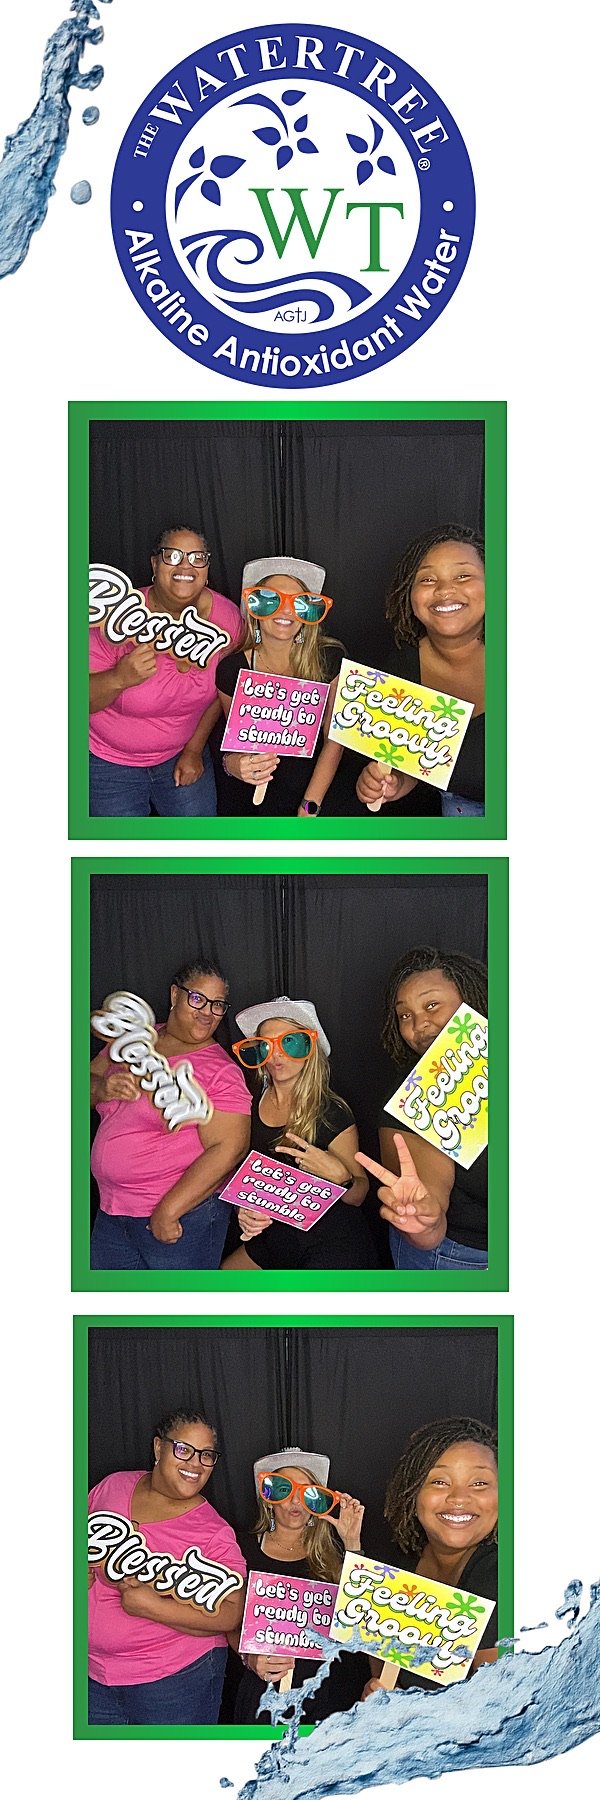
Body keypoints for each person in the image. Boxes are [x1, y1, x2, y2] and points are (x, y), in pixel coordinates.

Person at [90, 957, 252, 1270]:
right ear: (175, 995)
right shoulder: (136, 1039)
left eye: (217, 1005)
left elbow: (229, 1150)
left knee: (176, 1316)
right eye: (198, 999)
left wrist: (168, 1210)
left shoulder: (220, 1071)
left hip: (179, 1220)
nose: (207, 1012)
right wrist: (103, 1089)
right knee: (112, 1314)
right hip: (112, 1212)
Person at [88, 1407, 246, 1725]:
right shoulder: (113, 1486)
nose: (196, 1464)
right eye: (184, 1450)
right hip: (90, 1675)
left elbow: (233, 1613)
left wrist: (151, 1606)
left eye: (207, 1455)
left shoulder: (213, 1530)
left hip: (173, 1683)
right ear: (159, 1448)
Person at [89, 524, 243, 816]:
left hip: (181, 755)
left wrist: (194, 750)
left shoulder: (227, 619)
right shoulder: (117, 615)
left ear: (207, 568)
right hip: (109, 764)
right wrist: (119, 678)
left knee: (195, 855)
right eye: (173, 555)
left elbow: (222, 690)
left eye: (197, 557)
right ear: (154, 564)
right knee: (121, 860)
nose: (185, 565)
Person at [220, 997, 377, 1271]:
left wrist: (341, 1178)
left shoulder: (332, 1111)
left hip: (329, 1240)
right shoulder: (247, 1100)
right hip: (276, 1237)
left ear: (309, 1048)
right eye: (267, 1045)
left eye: (289, 1042)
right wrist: (244, 1211)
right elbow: (245, 1178)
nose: (277, 1054)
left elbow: (359, 1195)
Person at [356, 947, 488, 1271]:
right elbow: (430, 1207)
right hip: (459, 1257)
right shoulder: (416, 1096)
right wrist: (422, 1220)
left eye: (431, 1005)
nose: (419, 1025)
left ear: (472, 1000)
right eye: (405, 1015)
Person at [355, 525, 485, 818]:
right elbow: (418, 757)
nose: (444, 590)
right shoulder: (399, 671)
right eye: (427, 579)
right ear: (409, 595)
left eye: (462, 575)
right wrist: (393, 783)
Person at [363, 1417, 498, 1697]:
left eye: (479, 1483)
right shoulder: (393, 1568)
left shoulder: (506, 1578)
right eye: (439, 1481)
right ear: (412, 1493)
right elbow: (383, 1677)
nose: (459, 1498)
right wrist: (380, 1698)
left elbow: (499, 1710)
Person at [233, 1447, 370, 1724]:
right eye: (283, 1489)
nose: (295, 1501)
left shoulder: (334, 1557)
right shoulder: (239, 1548)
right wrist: (248, 1656)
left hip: (327, 1695)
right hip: (265, 1693)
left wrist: (352, 1543)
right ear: (267, 1497)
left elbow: (362, 1623)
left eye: (308, 1493)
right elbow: (227, 1619)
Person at [216, 555, 346, 816]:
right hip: (251, 801)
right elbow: (236, 747)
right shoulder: (231, 669)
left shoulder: (329, 660)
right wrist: (234, 765)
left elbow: (334, 741)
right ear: (253, 608)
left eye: (298, 602)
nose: (286, 610)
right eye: (270, 600)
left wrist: (310, 805)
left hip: (315, 795)